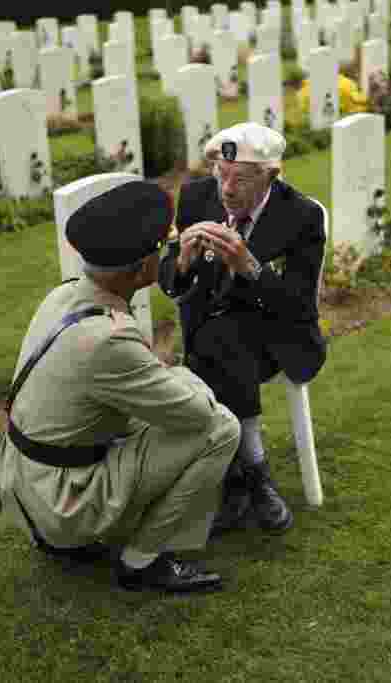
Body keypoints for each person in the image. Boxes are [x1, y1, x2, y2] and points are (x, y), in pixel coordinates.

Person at [0, 181, 241, 594]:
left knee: (172, 399)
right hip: (61, 503)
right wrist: (193, 381)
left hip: (22, 483)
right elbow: (196, 415)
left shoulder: (63, 297)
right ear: (142, 268)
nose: (165, 256)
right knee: (220, 427)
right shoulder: (107, 339)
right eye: (161, 250)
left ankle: (83, 539)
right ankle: (142, 562)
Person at [158, 122, 327, 536]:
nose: (227, 189)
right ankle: (252, 474)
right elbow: (170, 279)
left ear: (270, 176)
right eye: (221, 174)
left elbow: (299, 306)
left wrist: (249, 267)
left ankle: (238, 479)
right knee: (218, 339)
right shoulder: (196, 197)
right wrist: (181, 262)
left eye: (240, 179)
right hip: (213, 338)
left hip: (275, 338)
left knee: (219, 341)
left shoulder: (301, 216)